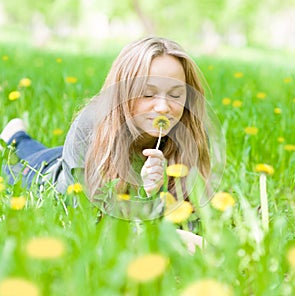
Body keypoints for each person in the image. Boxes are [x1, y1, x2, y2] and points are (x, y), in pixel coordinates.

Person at [1, 36, 213, 251]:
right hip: (48, 173)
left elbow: (191, 215)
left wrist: (155, 193)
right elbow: (90, 219)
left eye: (175, 94)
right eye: (148, 93)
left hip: (68, 160)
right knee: (16, 162)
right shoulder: (90, 128)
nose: (163, 107)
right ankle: (15, 136)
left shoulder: (190, 133)